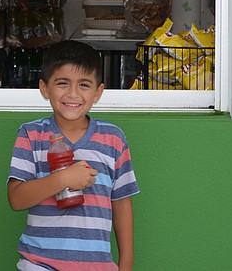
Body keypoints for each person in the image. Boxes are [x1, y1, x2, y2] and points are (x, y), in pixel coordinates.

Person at [7, 40, 139, 270]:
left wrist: (125, 264)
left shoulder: (113, 138)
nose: (73, 94)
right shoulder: (31, 134)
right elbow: (16, 199)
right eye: (62, 83)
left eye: (84, 85)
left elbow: (121, 203)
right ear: (44, 88)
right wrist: (64, 178)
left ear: (98, 92)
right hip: (40, 264)